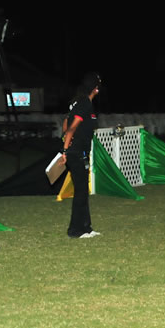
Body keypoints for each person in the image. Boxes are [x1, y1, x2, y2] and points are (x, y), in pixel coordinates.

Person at [60, 72, 101, 239]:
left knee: (83, 189)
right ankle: (75, 230)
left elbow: (65, 122)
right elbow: (71, 127)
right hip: (76, 152)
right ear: (95, 89)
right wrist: (65, 150)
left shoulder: (78, 101)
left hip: (79, 151)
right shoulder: (84, 103)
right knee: (81, 191)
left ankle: (86, 228)